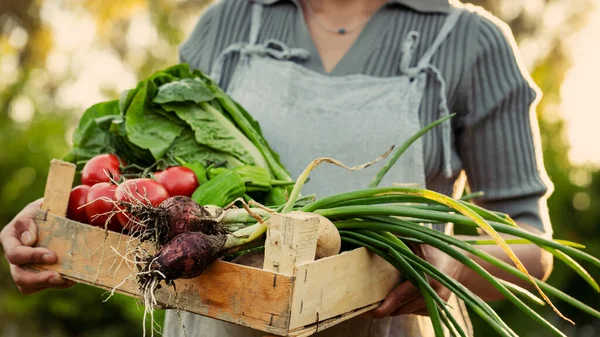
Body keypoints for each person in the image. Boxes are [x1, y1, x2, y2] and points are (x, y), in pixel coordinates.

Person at [1, 0, 556, 336]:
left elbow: (531, 243)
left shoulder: (471, 43)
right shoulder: (227, 23)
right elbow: (153, 189)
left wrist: (455, 267)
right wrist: (62, 217)